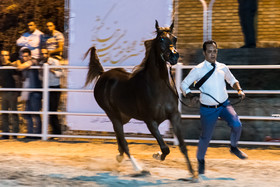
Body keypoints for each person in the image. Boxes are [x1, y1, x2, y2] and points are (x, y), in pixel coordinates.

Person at [180, 40, 248, 175]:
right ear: (204, 53)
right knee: (206, 136)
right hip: (207, 109)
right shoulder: (198, 69)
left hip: (224, 105)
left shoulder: (222, 67)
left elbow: (232, 80)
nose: (212, 54)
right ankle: (200, 160)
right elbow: (184, 85)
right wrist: (190, 96)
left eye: (215, 51)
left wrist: (239, 90)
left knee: (237, 124)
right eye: (209, 51)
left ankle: (233, 147)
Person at [16, 48, 42, 138]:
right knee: (27, 113)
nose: (24, 58)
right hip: (29, 92)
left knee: (35, 113)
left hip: (35, 92)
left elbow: (20, 67)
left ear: (30, 56)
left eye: (26, 56)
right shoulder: (27, 63)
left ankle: (38, 134)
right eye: (23, 56)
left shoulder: (33, 61)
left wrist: (17, 62)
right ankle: (30, 133)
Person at [38, 48, 63, 135]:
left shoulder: (55, 62)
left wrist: (51, 70)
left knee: (53, 110)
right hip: (46, 88)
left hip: (55, 88)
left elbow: (61, 73)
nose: (44, 55)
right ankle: (54, 132)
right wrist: (41, 72)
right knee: (48, 110)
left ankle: (57, 131)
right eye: (42, 53)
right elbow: (40, 78)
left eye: (45, 53)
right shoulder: (41, 64)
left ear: (48, 54)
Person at [0, 50, 20, 139]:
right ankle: (5, 133)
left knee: (14, 113)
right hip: (3, 92)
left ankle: (15, 133)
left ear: (8, 56)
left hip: (12, 92)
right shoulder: (1, 67)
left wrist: (18, 92)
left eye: (6, 55)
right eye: (2, 55)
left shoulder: (11, 67)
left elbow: (17, 80)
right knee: (4, 113)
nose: (4, 57)